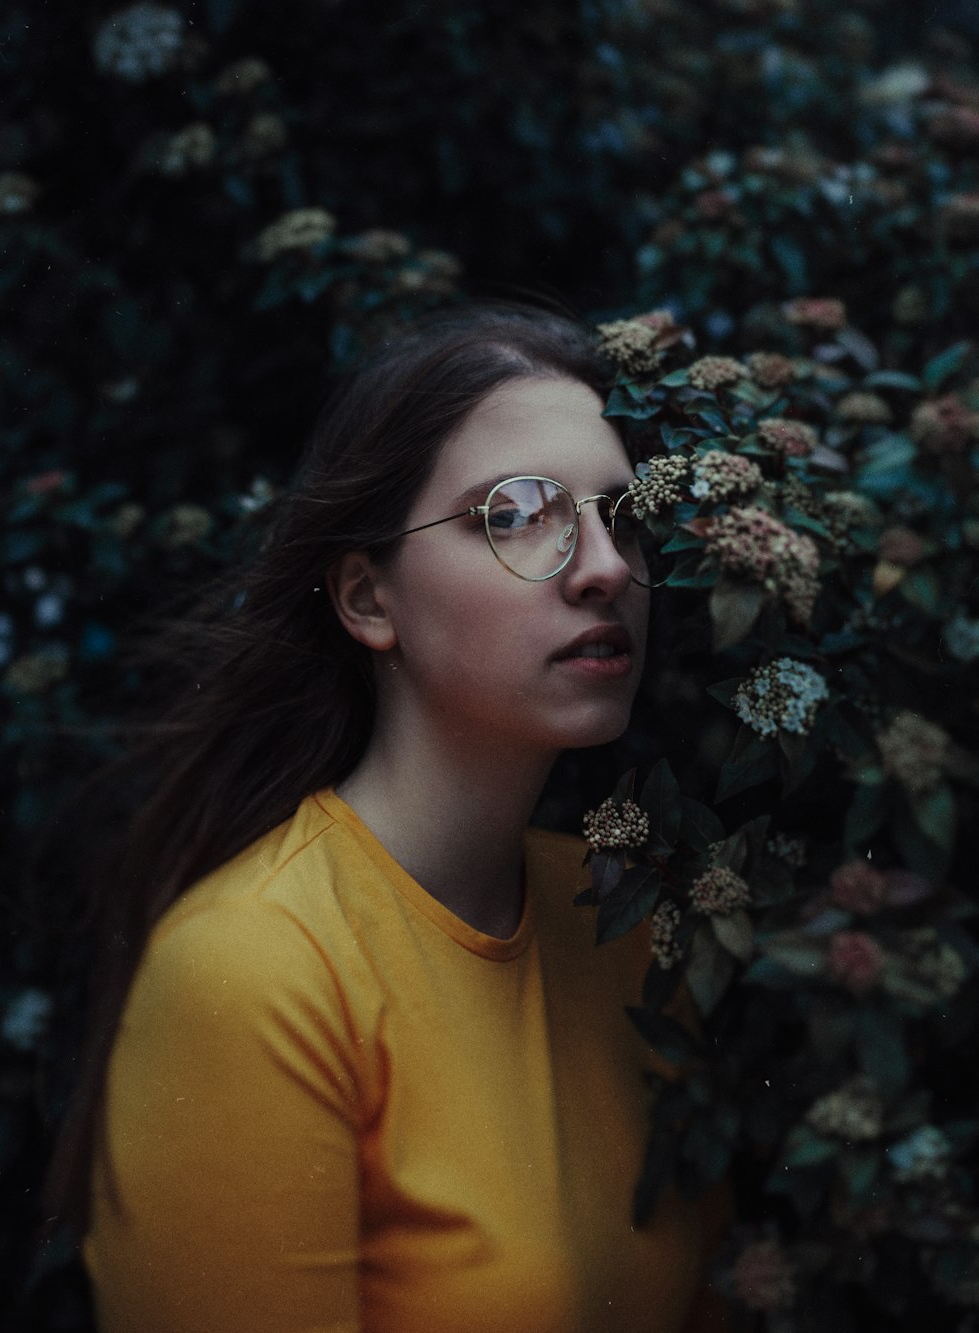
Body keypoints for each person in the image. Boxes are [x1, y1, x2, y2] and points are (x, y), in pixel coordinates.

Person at [57, 304, 728, 1331]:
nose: (603, 567)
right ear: (369, 599)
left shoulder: (632, 918)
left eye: (620, 512)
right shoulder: (256, 970)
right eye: (515, 513)